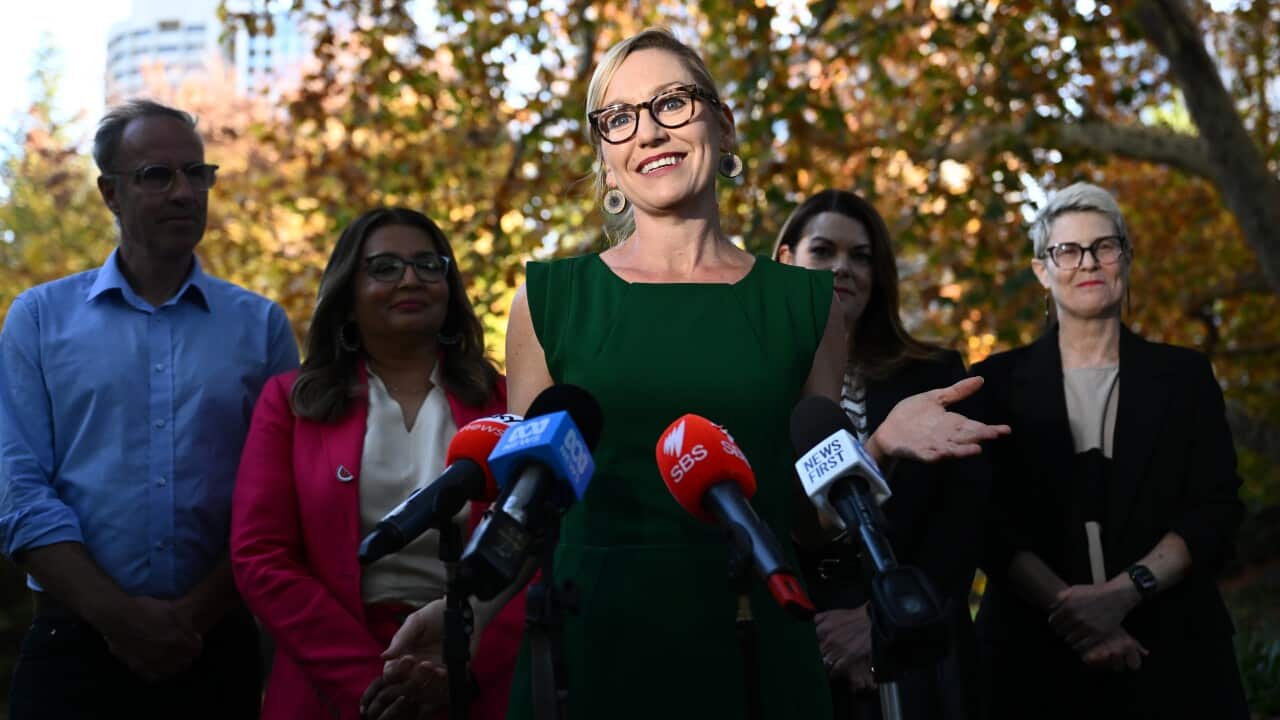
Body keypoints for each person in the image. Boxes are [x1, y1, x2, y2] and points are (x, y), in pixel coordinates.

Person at [382, 28, 1003, 720]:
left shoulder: (807, 304)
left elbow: (808, 524)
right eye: (619, 117)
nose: (648, 131)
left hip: (758, 651)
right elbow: (528, 516)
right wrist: (461, 613)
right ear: (605, 158)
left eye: (672, 102)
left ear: (723, 125)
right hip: (591, 652)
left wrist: (879, 445)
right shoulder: (548, 302)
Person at [0, 99, 299, 719]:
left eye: (197, 173)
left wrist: (190, 617)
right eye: (156, 175)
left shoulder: (261, 327)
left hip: (214, 647)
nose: (184, 192)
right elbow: (16, 489)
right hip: (71, 646)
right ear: (110, 193)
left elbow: (277, 497)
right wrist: (121, 619)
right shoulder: (39, 319)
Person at [972, 182, 1248, 719]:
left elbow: (1216, 509)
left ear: (1126, 258)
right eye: (1068, 250)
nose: (1088, 262)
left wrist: (1125, 592)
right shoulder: (992, 384)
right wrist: (1077, 614)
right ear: (1041, 271)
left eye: (1105, 246)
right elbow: (988, 524)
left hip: (1173, 654)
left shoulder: (1185, 376)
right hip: (1032, 661)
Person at [230, 207, 514, 720]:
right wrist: (374, 683)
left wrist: (458, 667)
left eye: (428, 265)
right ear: (347, 294)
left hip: (475, 678)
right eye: (385, 267)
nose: (411, 279)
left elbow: (535, 546)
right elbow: (260, 556)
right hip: (332, 683)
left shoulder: (505, 402)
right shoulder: (290, 403)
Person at [774, 189, 987, 720]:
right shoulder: (755, 380)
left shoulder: (934, 373)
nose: (842, 267)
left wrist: (878, 620)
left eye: (861, 256)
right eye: (823, 250)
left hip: (917, 653)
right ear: (786, 259)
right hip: (793, 649)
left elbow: (963, 522)